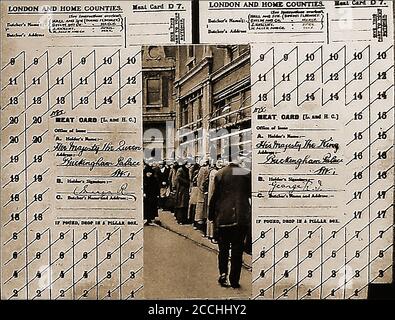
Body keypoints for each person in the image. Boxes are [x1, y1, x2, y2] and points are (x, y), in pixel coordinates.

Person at [209, 151, 251, 289]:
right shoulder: (245, 173)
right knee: (238, 250)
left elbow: (215, 197)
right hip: (240, 218)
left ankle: (223, 273)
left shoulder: (220, 174)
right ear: (238, 159)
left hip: (223, 218)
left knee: (223, 249)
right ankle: (234, 279)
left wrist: (211, 215)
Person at [206, 159, 224, 240]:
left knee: (212, 215)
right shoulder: (216, 173)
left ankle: (210, 234)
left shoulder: (212, 172)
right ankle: (214, 235)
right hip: (216, 196)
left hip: (212, 195)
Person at [195, 158, 210, 234]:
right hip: (203, 193)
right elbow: (199, 182)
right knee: (202, 211)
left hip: (208, 194)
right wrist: (203, 190)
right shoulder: (203, 169)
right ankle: (201, 228)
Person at [174, 158, 190, 224]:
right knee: (181, 204)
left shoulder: (187, 170)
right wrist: (187, 182)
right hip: (181, 189)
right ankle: (180, 219)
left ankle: (184, 219)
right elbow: (178, 178)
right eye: (188, 164)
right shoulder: (180, 170)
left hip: (185, 189)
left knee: (184, 205)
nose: (189, 165)